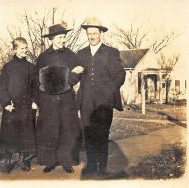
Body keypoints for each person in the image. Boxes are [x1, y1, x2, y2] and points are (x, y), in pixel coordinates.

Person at [76, 17, 126, 176]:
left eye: (95, 33)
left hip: (103, 103)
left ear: (101, 34)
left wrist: (110, 90)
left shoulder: (111, 52)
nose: (92, 36)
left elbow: (120, 74)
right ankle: (91, 165)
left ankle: (103, 167)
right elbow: (76, 76)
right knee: (88, 133)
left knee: (102, 133)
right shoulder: (81, 53)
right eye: (89, 33)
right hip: (86, 102)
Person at [34, 23, 84, 173]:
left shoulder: (70, 55)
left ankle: (66, 161)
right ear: (52, 39)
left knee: (66, 130)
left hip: (66, 99)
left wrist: (71, 79)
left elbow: (78, 73)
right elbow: (37, 79)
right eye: (60, 37)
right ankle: (50, 161)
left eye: (64, 37)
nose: (63, 40)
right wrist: (39, 99)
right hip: (48, 100)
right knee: (50, 130)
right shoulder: (43, 57)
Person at [0, 37, 37, 173]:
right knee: (9, 134)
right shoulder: (7, 67)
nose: (25, 50)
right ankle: (7, 161)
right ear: (15, 50)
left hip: (26, 107)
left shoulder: (31, 67)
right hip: (11, 107)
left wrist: (34, 101)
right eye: (22, 48)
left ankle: (22, 159)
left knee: (24, 134)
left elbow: (35, 87)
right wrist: (6, 103)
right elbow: (2, 87)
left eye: (26, 48)